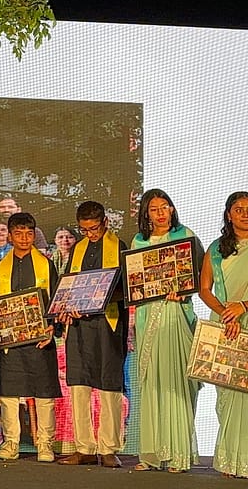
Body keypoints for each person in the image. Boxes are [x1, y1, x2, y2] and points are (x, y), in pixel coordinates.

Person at [129, 189, 201, 473]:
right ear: (146, 213)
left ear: (172, 209)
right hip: (149, 314)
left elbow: (199, 276)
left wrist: (183, 293)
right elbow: (135, 280)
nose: (160, 213)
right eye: (154, 208)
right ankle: (151, 454)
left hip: (175, 315)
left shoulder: (186, 235)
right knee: (152, 383)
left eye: (165, 207)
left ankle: (179, 455)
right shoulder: (139, 241)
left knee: (176, 383)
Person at [56, 201, 127, 468]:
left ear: (105, 223)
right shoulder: (77, 249)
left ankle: (108, 448)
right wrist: (68, 305)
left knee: (109, 385)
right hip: (79, 326)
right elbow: (68, 285)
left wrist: (100, 298)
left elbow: (128, 290)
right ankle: (84, 447)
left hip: (108, 323)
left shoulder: (120, 247)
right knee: (79, 384)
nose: (90, 235)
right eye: (85, 230)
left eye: (94, 229)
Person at [0, 212, 60, 463]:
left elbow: (55, 302)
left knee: (44, 395)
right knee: (9, 394)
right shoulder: (0, 267)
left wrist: (52, 328)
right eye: (18, 233)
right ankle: (11, 443)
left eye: (29, 233)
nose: (24, 238)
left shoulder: (46, 264)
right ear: (9, 236)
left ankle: (45, 444)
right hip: (9, 342)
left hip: (40, 340)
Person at [199, 191, 248, 478]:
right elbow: (205, 288)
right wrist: (226, 311)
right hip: (223, 324)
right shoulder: (217, 248)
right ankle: (230, 460)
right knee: (227, 395)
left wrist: (242, 306)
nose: (244, 213)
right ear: (228, 214)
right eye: (238, 209)